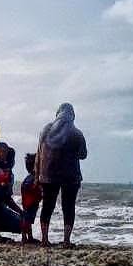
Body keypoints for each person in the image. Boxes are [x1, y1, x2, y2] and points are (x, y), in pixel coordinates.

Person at [35, 103, 87, 247]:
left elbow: (39, 153)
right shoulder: (77, 133)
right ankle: (66, 241)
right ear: (72, 116)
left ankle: (44, 240)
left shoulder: (45, 130)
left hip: (47, 175)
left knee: (47, 206)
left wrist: (36, 176)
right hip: (71, 176)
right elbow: (83, 155)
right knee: (68, 207)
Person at [0, 142, 22, 241]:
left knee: (21, 223)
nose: (2, 154)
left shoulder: (8, 172)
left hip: (1, 207)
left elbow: (7, 198)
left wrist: (21, 212)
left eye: (4, 152)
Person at [21, 153, 42, 244]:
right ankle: (25, 237)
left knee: (28, 219)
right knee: (27, 219)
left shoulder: (29, 178)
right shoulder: (33, 179)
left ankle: (28, 237)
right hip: (30, 202)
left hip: (28, 202)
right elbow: (32, 189)